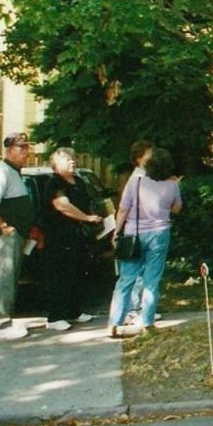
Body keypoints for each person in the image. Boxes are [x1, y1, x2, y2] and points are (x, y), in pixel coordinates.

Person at [107, 148, 182, 336]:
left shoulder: (136, 182)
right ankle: (147, 322)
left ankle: (114, 323)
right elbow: (177, 208)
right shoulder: (172, 185)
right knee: (152, 280)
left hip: (135, 233)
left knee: (126, 280)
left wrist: (116, 231)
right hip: (160, 232)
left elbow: (123, 209)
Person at [42, 148, 104, 331]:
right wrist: (87, 218)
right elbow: (63, 206)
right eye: (67, 159)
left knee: (76, 272)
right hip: (59, 236)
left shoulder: (78, 180)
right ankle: (55, 317)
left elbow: (86, 203)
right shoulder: (54, 182)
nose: (72, 162)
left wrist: (94, 217)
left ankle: (73, 311)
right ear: (56, 164)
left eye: (73, 158)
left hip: (77, 236)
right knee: (59, 275)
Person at [0, 132, 35, 340]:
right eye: (21, 148)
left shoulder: (15, 172)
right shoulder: (1, 172)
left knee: (10, 277)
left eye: (27, 148)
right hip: (4, 237)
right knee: (4, 278)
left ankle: (4, 320)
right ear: (8, 150)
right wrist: (4, 226)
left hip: (15, 235)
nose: (26, 152)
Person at [123, 139, 154, 323]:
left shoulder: (148, 178)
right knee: (136, 273)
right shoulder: (137, 179)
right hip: (137, 230)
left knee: (144, 272)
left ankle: (143, 308)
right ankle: (133, 310)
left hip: (145, 228)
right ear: (140, 159)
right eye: (150, 155)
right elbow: (124, 207)